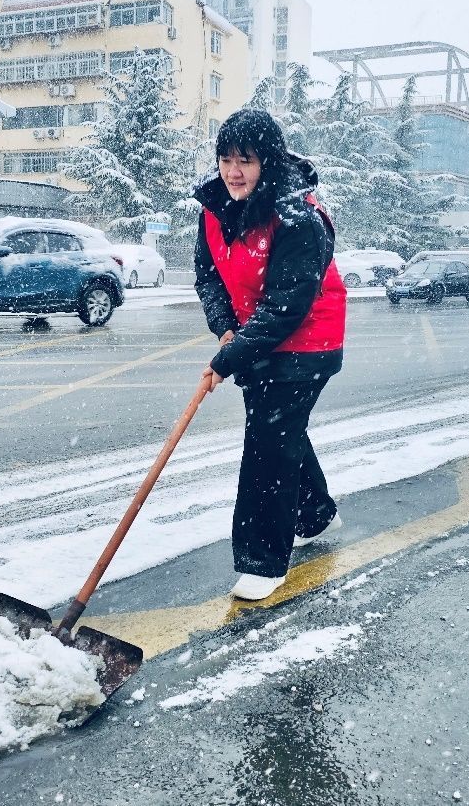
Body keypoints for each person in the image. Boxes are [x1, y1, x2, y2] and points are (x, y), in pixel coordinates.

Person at [194, 108, 347, 601]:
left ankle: (263, 561)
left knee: (267, 443)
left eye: (246, 160)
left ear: (270, 162)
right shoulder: (215, 209)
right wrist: (225, 330)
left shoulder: (300, 218)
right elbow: (209, 276)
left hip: (308, 341)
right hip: (257, 336)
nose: (233, 171)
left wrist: (229, 357)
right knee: (279, 431)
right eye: (225, 159)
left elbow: (287, 306)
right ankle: (317, 513)